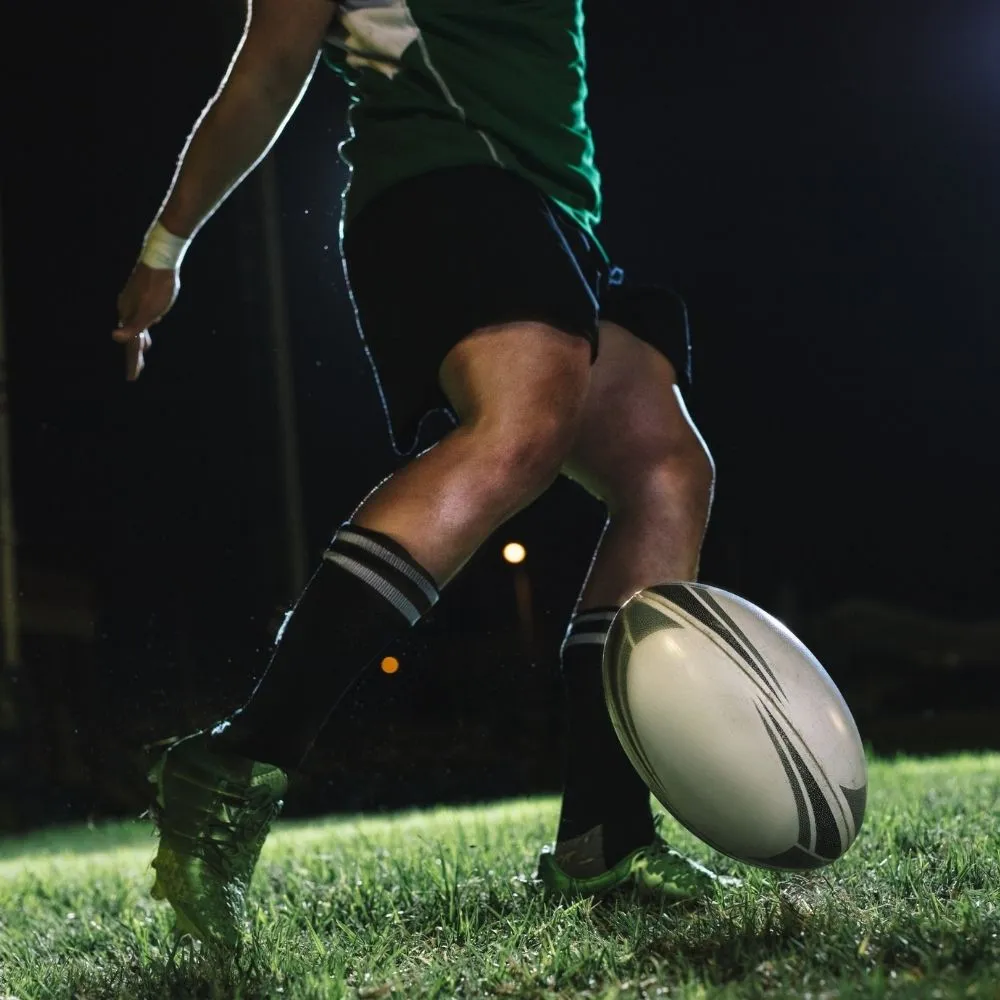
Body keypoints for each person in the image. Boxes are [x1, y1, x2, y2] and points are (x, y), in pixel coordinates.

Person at [114, 0, 728, 950]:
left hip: (556, 209)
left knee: (664, 471)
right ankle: (237, 761)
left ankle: (603, 835)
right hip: (445, 182)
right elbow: (271, 63)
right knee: (521, 428)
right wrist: (167, 243)